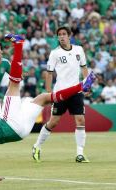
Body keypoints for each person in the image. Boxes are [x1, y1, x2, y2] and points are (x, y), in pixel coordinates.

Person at [0, 34, 96, 183]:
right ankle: (18, 44)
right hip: (9, 124)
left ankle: (81, 87)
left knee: (43, 98)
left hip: (20, 134)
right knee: (14, 84)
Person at [32, 26, 90, 163]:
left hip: (76, 91)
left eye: (64, 34)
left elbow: (84, 68)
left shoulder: (79, 50)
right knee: (53, 122)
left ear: (69, 36)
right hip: (60, 93)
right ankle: (37, 146)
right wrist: (48, 93)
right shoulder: (55, 53)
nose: (62, 36)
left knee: (80, 120)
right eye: (59, 35)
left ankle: (80, 154)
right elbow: (49, 73)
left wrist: (86, 84)